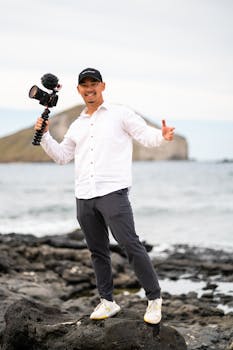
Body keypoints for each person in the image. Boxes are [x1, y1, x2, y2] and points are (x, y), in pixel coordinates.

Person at [35, 68, 175, 324]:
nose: (90, 88)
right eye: (84, 85)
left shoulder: (120, 114)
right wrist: (44, 136)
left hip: (113, 191)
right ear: (79, 90)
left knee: (130, 244)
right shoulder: (77, 125)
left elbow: (146, 135)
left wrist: (162, 136)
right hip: (84, 195)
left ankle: (154, 300)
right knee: (97, 251)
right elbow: (62, 156)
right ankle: (107, 301)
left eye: (94, 84)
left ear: (102, 86)